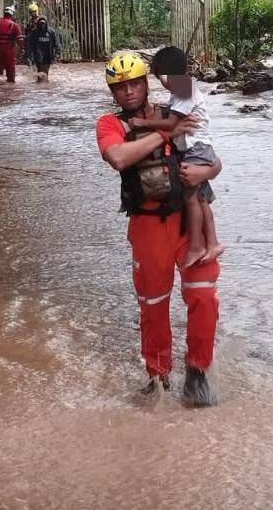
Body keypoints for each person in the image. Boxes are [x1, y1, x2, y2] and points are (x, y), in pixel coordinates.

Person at [95, 52, 222, 406]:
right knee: (153, 306)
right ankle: (159, 376)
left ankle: (198, 372)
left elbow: (213, 157)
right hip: (148, 227)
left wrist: (207, 173)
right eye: (120, 87)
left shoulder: (173, 109)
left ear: (146, 82)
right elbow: (119, 157)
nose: (129, 92)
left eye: (135, 83)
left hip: (187, 220)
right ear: (113, 92)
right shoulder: (110, 124)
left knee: (204, 296)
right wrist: (166, 133)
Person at [128, 46, 224, 269]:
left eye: (162, 76)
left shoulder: (184, 88)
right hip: (200, 148)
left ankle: (197, 246)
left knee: (191, 198)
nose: (162, 82)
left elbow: (172, 124)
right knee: (201, 199)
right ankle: (213, 243)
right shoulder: (183, 87)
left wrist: (142, 123)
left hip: (196, 149)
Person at [0, 6, 24, 84]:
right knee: (10, 71)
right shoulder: (14, 25)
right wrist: (22, 49)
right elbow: (20, 39)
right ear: (12, 14)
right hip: (9, 51)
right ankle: (10, 86)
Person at [25, 17, 60, 82]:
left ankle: (45, 86)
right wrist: (29, 56)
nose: (42, 25)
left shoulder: (51, 32)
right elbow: (30, 45)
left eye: (43, 24)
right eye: (40, 24)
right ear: (38, 24)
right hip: (38, 56)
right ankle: (41, 86)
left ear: (46, 24)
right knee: (40, 71)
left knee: (46, 72)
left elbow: (57, 44)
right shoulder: (34, 32)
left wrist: (56, 55)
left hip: (48, 55)